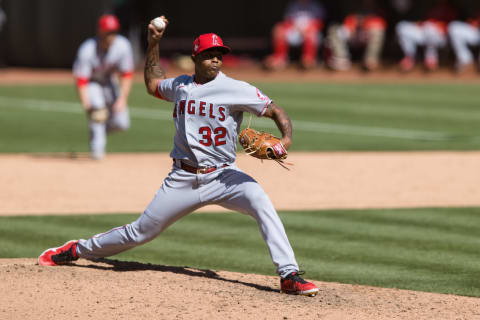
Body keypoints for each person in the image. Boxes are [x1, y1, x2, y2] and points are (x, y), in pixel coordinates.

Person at [38, 16, 319, 297]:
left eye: (219, 55)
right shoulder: (181, 86)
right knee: (140, 232)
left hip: (224, 175)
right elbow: (152, 84)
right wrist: (153, 44)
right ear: (196, 58)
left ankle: (289, 275)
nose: (216, 60)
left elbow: (275, 110)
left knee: (261, 203)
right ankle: (77, 249)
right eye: (209, 55)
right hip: (183, 177)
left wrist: (286, 139)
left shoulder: (237, 89)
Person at [73, 14, 135, 160]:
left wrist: (122, 99)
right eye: (108, 32)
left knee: (122, 123)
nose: (111, 35)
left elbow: (126, 74)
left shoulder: (123, 45)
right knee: (98, 110)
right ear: (100, 32)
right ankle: (97, 151)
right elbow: (81, 80)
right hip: (92, 84)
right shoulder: (87, 49)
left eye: (114, 32)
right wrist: (86, 104)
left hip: (110, 82)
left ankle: (96, 130)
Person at [396, 0, 457, 72]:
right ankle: (410, 57)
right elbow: (424, 21)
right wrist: (420, 24)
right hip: (426, 33)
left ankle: (431, 59)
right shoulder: (430, 5)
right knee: (402, 27)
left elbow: (453, 25)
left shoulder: (449, 8)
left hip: (441, 37)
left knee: (430, 28)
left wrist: (441, 26)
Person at [325, 0, 387, 71]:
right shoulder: (349, 4)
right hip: (352, 33)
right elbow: (346, 20)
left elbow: (379, 22)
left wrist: (363, 24)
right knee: (334, 29)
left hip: (365, 33)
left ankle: (370, 60)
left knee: (377, 31)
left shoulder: (374, 7)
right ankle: (341, 59)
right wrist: (351, 24)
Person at [264, 0, 326, 70]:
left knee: (311, 34)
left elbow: (320, 23)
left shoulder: (315, 5)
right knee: (279, 30)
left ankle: (308, 60)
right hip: (295, 32)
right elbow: (288, 22)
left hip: (311, 32)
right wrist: (291, 28)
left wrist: (308, 29)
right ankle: (280, 59)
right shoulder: (293, 5)